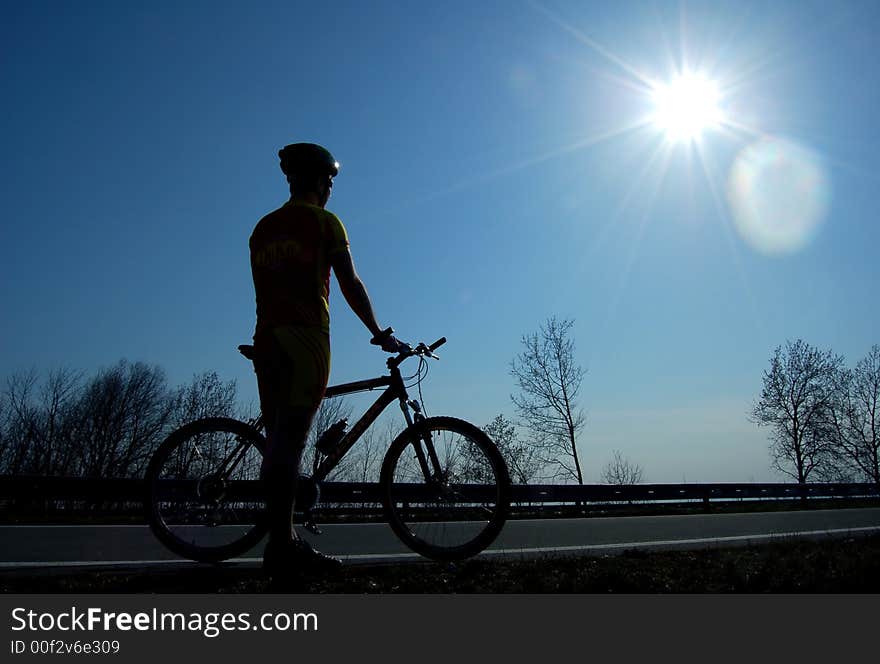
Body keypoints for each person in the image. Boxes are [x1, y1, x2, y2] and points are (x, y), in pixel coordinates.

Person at [249, 142, 404, 578]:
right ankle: (282, 547)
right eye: (330, 180)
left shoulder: (263, 228)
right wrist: (378, 333)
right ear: (318, 181)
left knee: (280, 440)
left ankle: (282, 539)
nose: (332, 187)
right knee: (291, 441)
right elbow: (349, 282)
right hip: (306, 342)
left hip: (267, 339)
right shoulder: (324, 222)